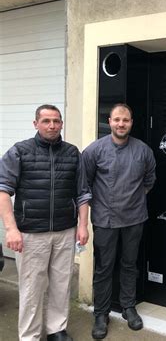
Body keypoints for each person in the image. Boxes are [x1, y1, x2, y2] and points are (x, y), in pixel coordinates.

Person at [0, 104, 91, 341]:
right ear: (36, 124)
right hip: (31, 234)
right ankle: (30, 336)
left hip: (65, 231)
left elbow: (82, 193)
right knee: (32, 289)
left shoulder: (72, 153)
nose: (52, 125)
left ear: (61, 124)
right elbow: (3, 191)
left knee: (61, 285)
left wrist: (83, 225)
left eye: (57, 121)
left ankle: (56, 329)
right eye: (46, 121)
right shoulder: (20, 151)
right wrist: (11, 229)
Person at [82, 103, 156, 339]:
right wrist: (101, 205)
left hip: (134, 218)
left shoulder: (143, 151)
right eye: (117, 120)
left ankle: (128, 306)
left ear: (131, 122)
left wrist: (132, 201)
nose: (121, 124)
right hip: (104, 219)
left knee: (129, 264)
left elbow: (149, 181)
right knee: (103, 267)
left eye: (125, 120)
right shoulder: (94, 150)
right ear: (110, 122)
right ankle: (101, 313)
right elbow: (85, 183)